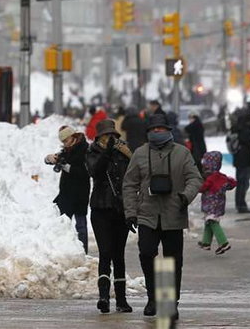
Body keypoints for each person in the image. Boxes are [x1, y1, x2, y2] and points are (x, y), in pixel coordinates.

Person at [122, 113, 202, 319]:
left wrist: (185, 197)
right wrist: (131, 212)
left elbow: (194, 178)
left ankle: (169, 302)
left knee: (172, 260)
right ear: (148, 132)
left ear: (169, 131)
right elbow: (129, 184)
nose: (157, 132)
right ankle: (152, 297)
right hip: (147, 214)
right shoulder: (140, 154)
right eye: (153, 130)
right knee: (147, 253)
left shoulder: (182, 153)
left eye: (161, 129)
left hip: (173, 214)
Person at [86, 119, 133, 313]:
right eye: (106, 136)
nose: (110, 139)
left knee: (119, 255)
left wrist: (129, 155)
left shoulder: (123, 152)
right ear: (99, 137)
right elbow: (94, 171)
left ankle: (121, 300)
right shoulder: (92, 152)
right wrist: (107, 152)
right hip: (100, 209)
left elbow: (133, 176)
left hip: (119, 210)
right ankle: (104, 296)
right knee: (105, 253)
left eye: (113, 135)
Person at [44, 125, 90, 253]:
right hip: (66, 193)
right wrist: (49, 158)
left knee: (81, 225)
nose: (65, 143)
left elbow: (85, 172)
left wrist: (67, 167)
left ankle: (83, 252)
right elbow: (51, 160)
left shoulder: (85, 149)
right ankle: (66, 251)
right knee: (64, 225)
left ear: (72, 137)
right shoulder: (66, 150)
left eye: (66, 140)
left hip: (80, 192)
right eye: (63, 142)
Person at [198, 151, 237, 255]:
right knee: (209, 221)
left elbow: (201, 188)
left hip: (210, 205)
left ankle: (223, 243)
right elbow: (231, 183)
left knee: (212, 222)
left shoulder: (210, 178)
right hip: (219, 205)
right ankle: (206, 242)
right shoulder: (221, 176)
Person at [232, 111, 250, 213]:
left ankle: (239, 204)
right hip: (245, 160)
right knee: (244, 183)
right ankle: (241, 205)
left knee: (241, 183)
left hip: (239, 160)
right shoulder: (246, 131)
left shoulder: (237, 129)